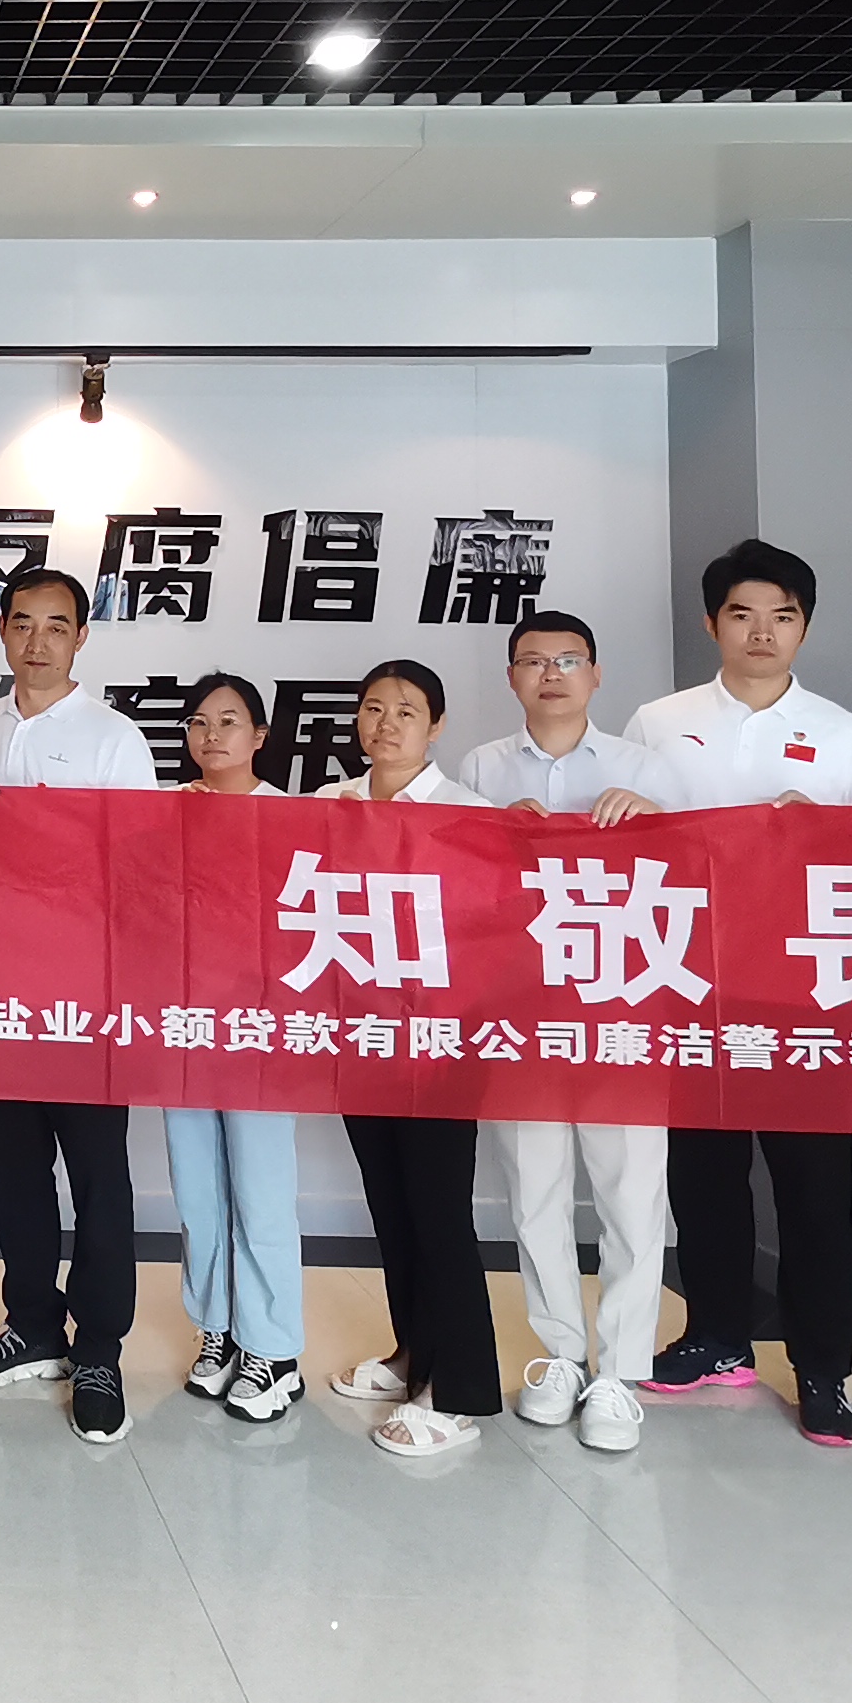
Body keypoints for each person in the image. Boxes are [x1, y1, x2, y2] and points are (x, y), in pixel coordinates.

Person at [623, 539, 852, 1449]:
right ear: (712, 623)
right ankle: (715, 1337)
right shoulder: (658, 723)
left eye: (783, 616)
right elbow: (625, 848)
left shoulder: (850, 738)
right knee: (704, 1180)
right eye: (742, 614)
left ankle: (823, 1370)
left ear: (804, 628)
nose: (762, 633)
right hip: (691, 985)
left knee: (815, 1192)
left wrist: (827, 834)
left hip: (808, 999)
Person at [455, 610, 681, 1454]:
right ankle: (559, 1354)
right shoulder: (482, 766)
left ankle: (620, 1370)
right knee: (535, 1188)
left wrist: (654, 817)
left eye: (568, 659)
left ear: (596, 674)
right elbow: (462, 887)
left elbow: (696, 873)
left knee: (631, 1193)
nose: (551, 674)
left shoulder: (643, 765)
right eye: (533, 661)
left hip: (622, 1007)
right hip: (523, 1010)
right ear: (512, 677)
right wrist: (492, 831)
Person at [0, 566, 156, 1444]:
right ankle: (33, 1322)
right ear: (2, 632)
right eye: (22, 623)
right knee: (16, 1169)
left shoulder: (114, 738)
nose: (38, 641)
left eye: (56, 625)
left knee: (99, 1177)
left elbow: (138, 867)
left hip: (85, 991)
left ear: (82, 637)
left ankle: (100, 1347)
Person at [313, 660, 502, 1457]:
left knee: (438, 1211)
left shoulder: (469, 813)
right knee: (390, 1205)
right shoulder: (329, 804)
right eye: (372, 708)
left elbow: (491, 930)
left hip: (439, 1041)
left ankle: (458, 1391)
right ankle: (413, 1354)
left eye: (406, 710)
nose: (385, 724)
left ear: (437, 725)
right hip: (361, 1035)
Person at [163, 672, 306, 1423]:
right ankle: (217, 1327)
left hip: (259, 1030)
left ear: (259, 736)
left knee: (260, 1190)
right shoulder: (164, 813)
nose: (211, 735)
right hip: (183, 1026)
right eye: (198, 722)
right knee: (197, 1190)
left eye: (228, 721)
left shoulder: (291, 817)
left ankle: (273, 1349)